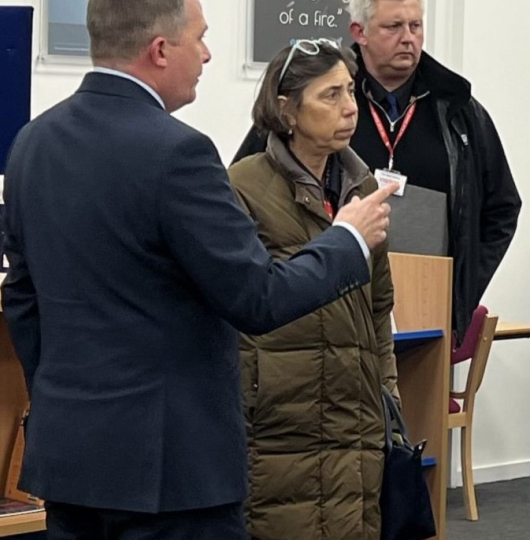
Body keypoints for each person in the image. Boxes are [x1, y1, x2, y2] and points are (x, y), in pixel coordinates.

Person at [0, 0, 398, 538]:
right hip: (173, 474)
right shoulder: (178, 153)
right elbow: (257, 298)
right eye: (200, 38)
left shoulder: (31, 144)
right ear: (160, 50)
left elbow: (22, 298)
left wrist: (62, 395)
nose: (208, 54)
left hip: (71, 459)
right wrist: (348, 238)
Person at [233, 0, 522, 342]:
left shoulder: (458, 111)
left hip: (426, 309)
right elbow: (241, 206)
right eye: (393, 27)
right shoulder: (309, 104)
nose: (408, 38)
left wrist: (460, 290)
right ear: (360, 32)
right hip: (320, 310)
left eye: (416, 26)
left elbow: (502, 207)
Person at [228, 40, 396, 540]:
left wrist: (388, 392)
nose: (350, 108)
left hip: (355, 416)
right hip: (282, 421)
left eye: (350, 91)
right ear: (287, 110)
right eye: (330, 96)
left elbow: (379, 304)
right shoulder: (241, 187)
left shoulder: (363, 187)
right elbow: (239, 303)